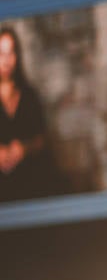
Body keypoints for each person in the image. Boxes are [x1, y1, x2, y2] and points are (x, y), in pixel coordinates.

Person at [0, 26, 60, 203]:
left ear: (17, 56)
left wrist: (24, 149)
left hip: (30, 186)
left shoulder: (29, 95)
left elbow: (43, 139)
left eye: (11, 53)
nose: (6, 61)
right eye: (1, 53)